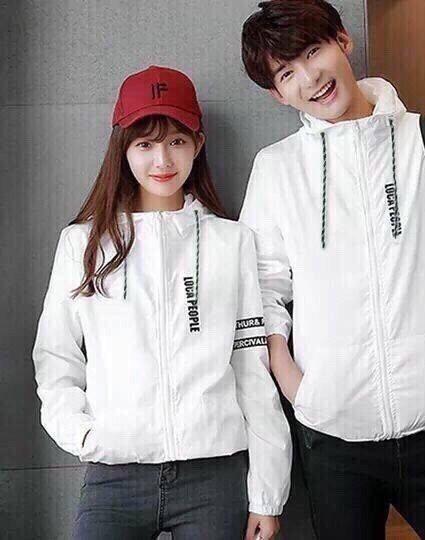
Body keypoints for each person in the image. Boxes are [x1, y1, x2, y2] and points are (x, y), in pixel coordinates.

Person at [239, 1, 425, 538]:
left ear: (343, 40)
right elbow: (260, 291)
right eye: (286, 73)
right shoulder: (276, 168)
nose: (309, 78)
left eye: (313, 51)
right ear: (277, 94)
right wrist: (299, 388)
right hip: (333, 437)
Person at [33, 65, 291, 540]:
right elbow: (56, 356)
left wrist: (267, 495)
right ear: (123, 148)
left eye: (176, 141)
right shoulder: (82, 244)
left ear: (198, 143)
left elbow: (251, 369)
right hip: (115, 475)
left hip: (214, 476)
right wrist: (84, 435)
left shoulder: (231, 242)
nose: (162, 160)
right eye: (145, 144)